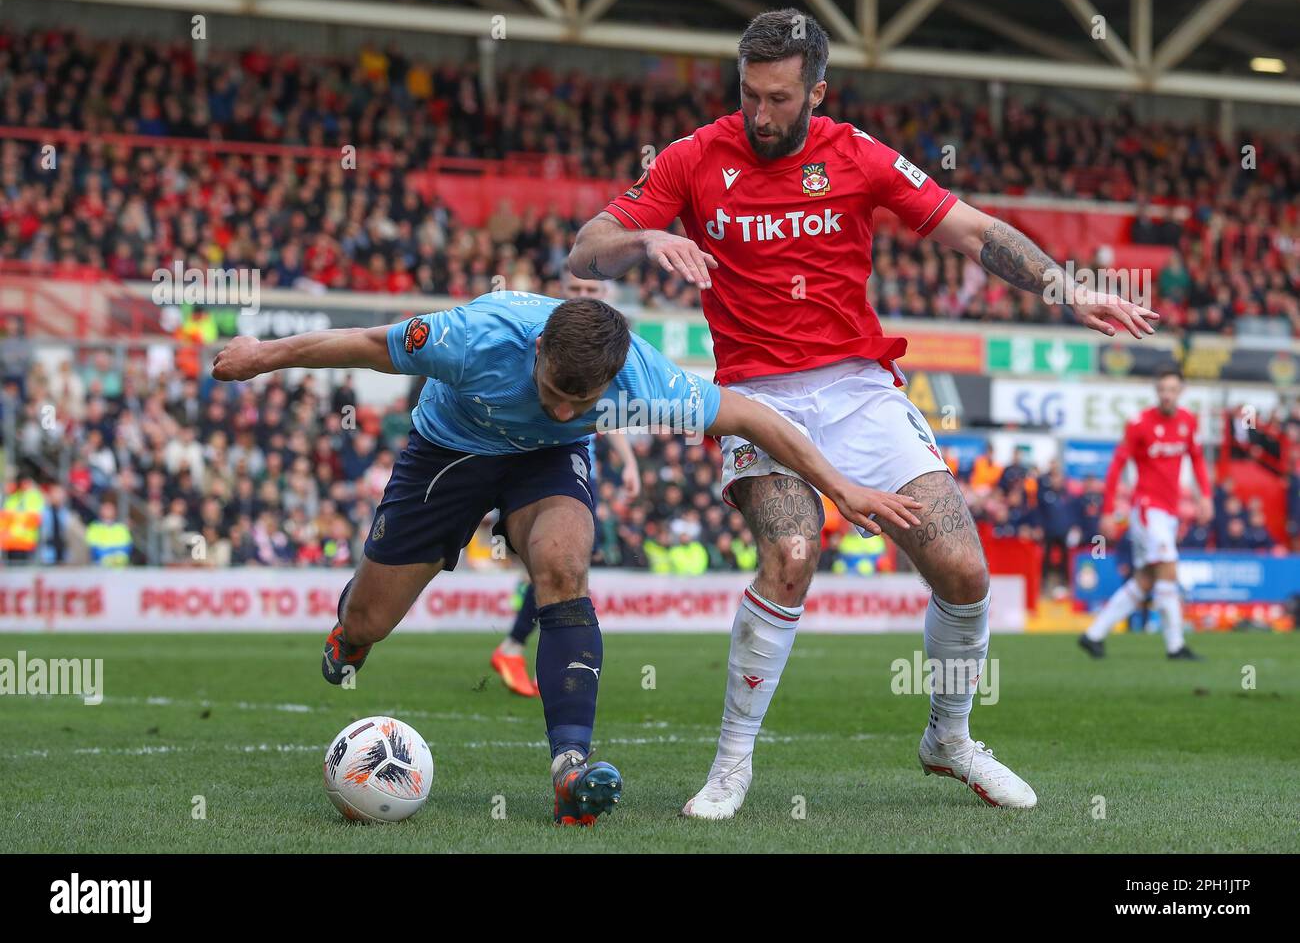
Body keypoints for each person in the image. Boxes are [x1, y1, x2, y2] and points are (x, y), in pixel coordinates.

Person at [569, 9, 1155, 816]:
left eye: (779, 98)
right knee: (793, 551)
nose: (761, 114)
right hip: (757, 393)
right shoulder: (695, 156)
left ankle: (949, 738)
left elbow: (974, 231)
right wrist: (643, 242)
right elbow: (585, 245)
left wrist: (1069, 289)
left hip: (857, 388)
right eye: (750, 95)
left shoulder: (857, 156)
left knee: (964, 570)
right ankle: (731, 764)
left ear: (818, 89)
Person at [212, 290, 921, 826]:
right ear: (538, 351)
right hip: (449, 453)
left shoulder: (641, 378)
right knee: (371, 618)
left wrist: (842, 487)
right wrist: (261, 357)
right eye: (551, 390)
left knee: (562, 565)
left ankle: (569, 767)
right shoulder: (472, 337)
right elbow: (368, 343)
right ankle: (351, 637)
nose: (559, 407)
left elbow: (754, 417)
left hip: (546, 468)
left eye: (576, 402)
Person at [489, 272, 643, 699]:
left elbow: (608, 413)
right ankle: (519, 651)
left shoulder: (604, 351)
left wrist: (628, 463)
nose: (583, 295)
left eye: (592, 291)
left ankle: (517, 650)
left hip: (575, 469)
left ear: (605, 294)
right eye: (576, 290)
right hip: (530, 468)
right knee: (559, 572)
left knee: (561, 572)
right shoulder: (541, 339)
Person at [1080, 368, 1211, 660]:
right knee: (1168, 570)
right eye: (1162, 389)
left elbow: (1198, 461)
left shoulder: (1188, 422)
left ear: (1181, 391)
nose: (1167, 394)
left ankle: (1093, 635)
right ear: (1156, 391)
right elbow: (1116, 467)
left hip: (1169, 511)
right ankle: (1176, 646)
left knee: (1146, 580)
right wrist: (1108, 510)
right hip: (1149, 511)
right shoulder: (1140, 424)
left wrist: (1206, 497)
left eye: (1172, 389)